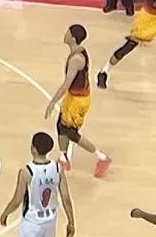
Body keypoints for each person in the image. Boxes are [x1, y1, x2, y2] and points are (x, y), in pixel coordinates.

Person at [43, 24, 111, 178]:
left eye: (67, 32)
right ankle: (63, 159)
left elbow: (66, 85)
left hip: (78, 100)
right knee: (61, 126)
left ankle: (102, 157)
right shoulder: (79, 51)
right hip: (75, 97)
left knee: (71, 133)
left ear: (73, 38)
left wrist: (52, 102)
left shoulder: (76, 59)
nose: (65, 34)